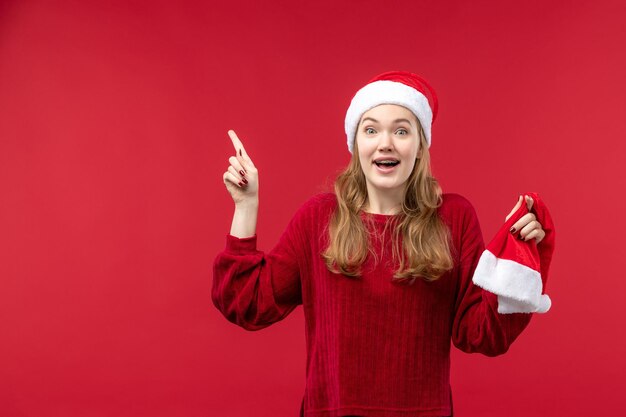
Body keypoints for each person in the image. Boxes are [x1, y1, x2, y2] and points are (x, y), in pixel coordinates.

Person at [212, 71, 555, 417]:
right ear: (355, 142)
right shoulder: (317, 219)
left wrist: (521, 261)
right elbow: (248, 302)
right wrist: (246, 205)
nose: (385, 143)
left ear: (420, 146)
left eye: (401, 130)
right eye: (371, 129)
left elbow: (481, 334)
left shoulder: (455, 218)